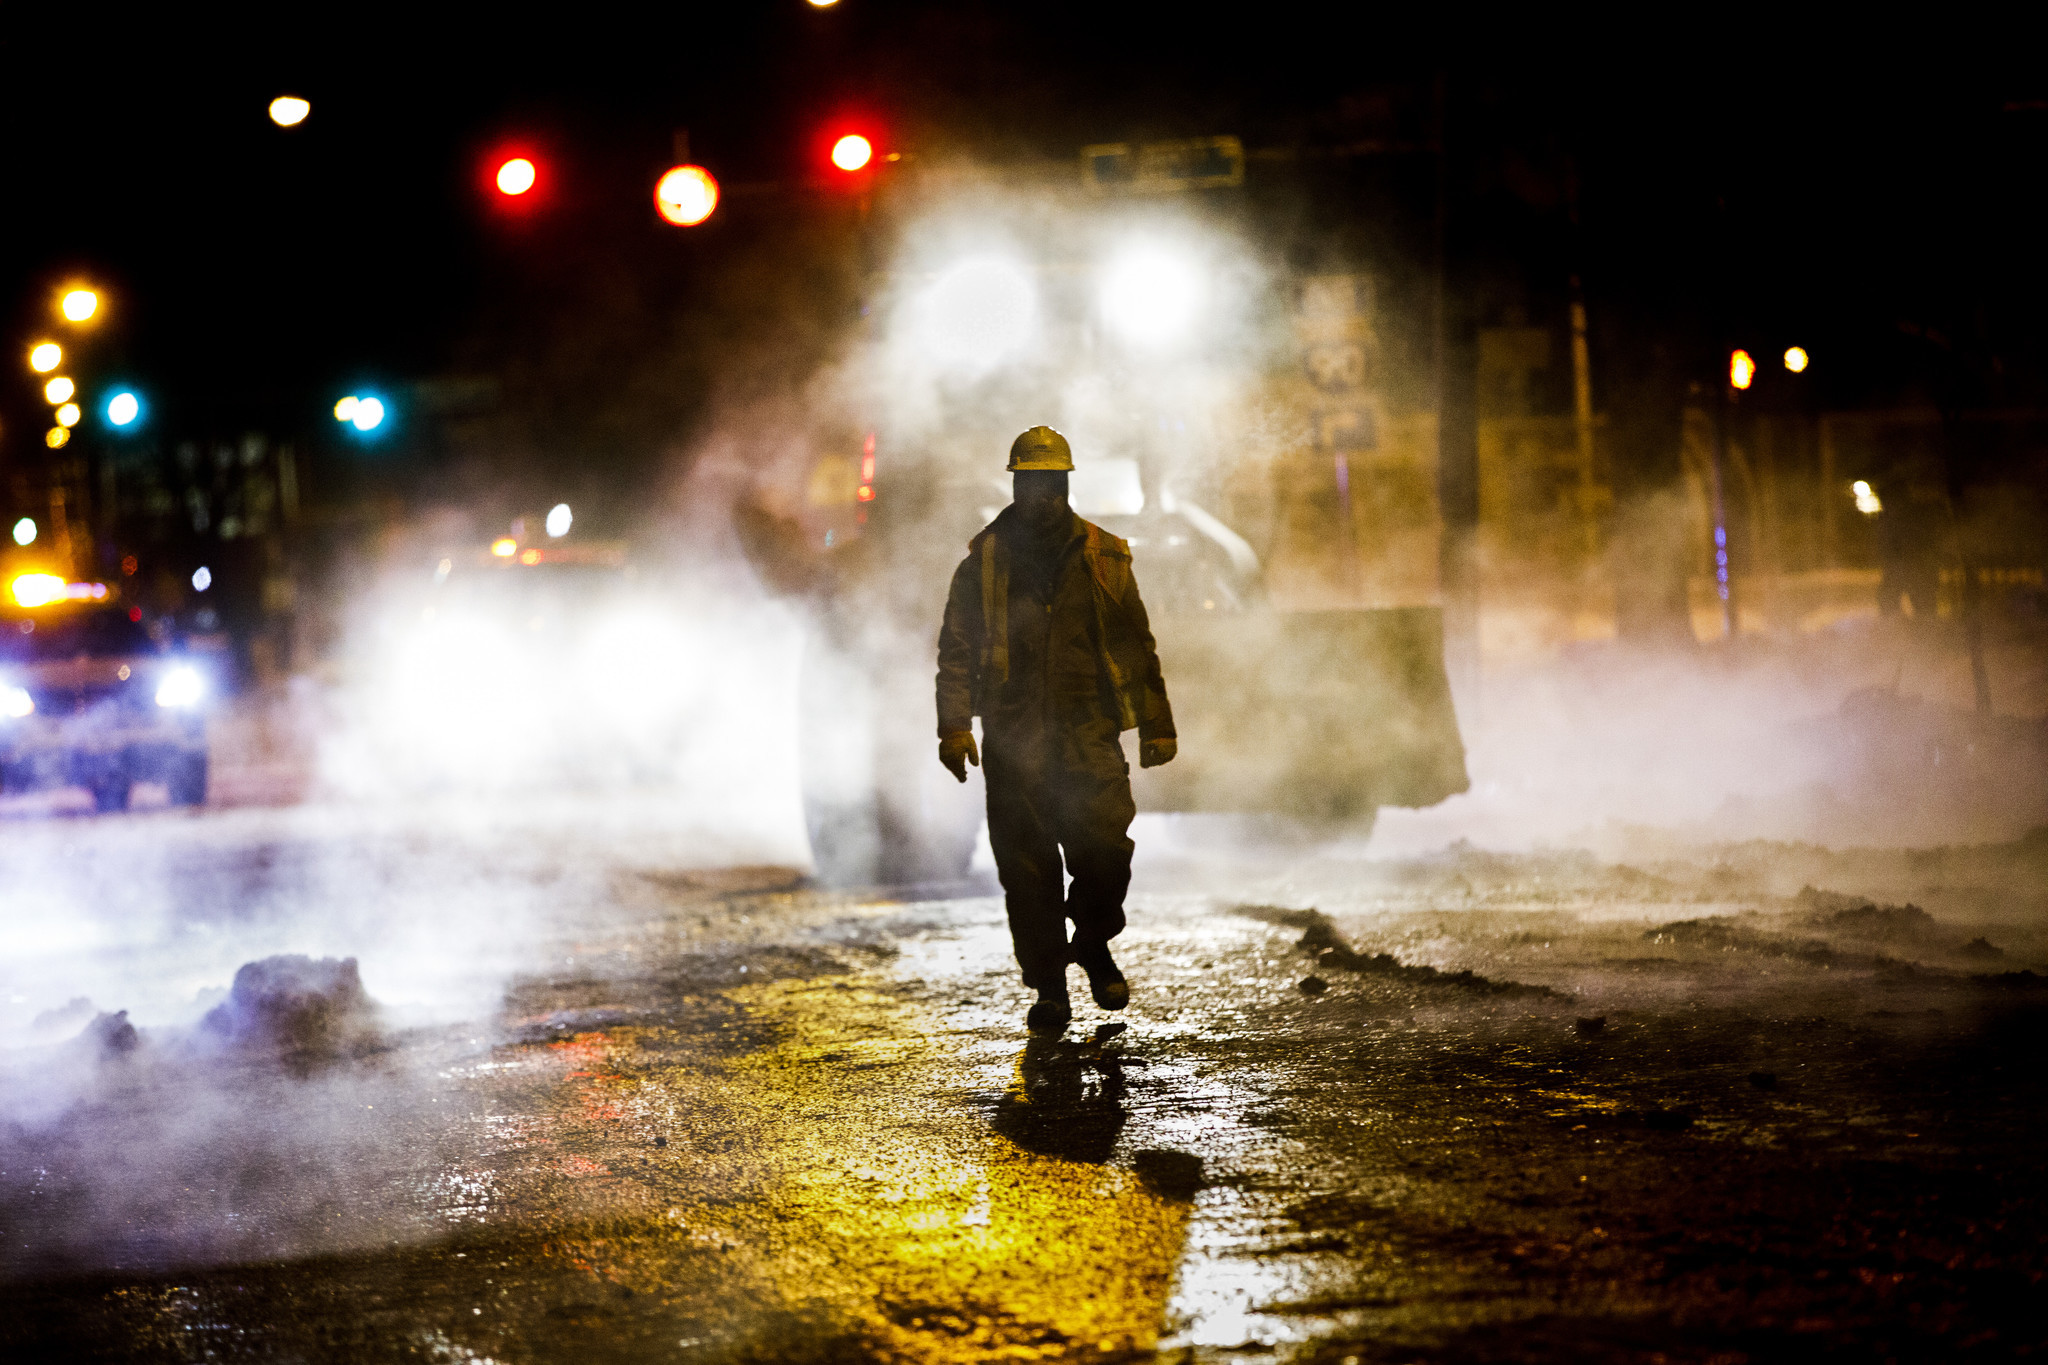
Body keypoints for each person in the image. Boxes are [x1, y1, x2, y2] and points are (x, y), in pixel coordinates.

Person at [935, 426, 1176, 1033]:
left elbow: (1135, 643)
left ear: (1066, 484)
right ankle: (1049, 990)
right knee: (1027, 873)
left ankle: (1091, 942)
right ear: (1015, 485)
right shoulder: (983, 563)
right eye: (1031, 482)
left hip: (1088, 734)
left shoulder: (1104, 557)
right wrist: (954, 727)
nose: (1041, 493)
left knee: (1107, 853)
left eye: (1051, 481)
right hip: (1014, 742)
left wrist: (1157, 723)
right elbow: (956, 651)